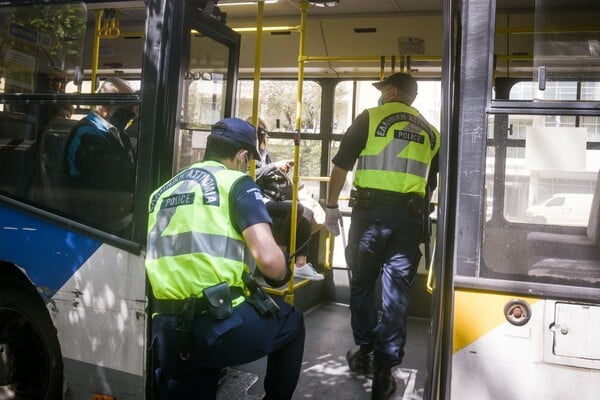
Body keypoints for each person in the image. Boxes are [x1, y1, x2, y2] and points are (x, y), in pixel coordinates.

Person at [145, 117, 306, 399]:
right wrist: (284, 269)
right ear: (242, 155)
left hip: (167, 329)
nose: (248, 166)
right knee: (291, 322)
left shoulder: (163, 190)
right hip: (217, 324)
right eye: (249, 161)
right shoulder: (236, 183)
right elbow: (269, 262)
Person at [324, 73, 440, 400]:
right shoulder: (433, 134)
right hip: (409, 220)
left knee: (361, 283)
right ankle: (385, 372)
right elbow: (430, 183)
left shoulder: (370, 118)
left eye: (382, 89)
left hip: (369, 218)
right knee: (396, 293)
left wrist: (331, 206)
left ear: (391, 91)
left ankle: (364, 352)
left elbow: (341, 165)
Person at [250, 117, 324, 282]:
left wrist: (280, 168)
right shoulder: (247, 152)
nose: (263, 135)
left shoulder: (264, 154)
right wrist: (275, 166)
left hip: (270, 197)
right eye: (260, 131)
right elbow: (253, 175)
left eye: (264, 131)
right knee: (296, 208)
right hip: (256, 198)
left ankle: (300, 264)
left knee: (307, 214)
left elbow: (267, 172)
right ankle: (282, 255)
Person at [63, 77, 137, 232]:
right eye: (127, 108)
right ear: (105, 107)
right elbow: (111, 178)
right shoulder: (87, 135)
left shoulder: (119, 135)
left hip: (116, 211)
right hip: (94, 220)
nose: (132, 114)